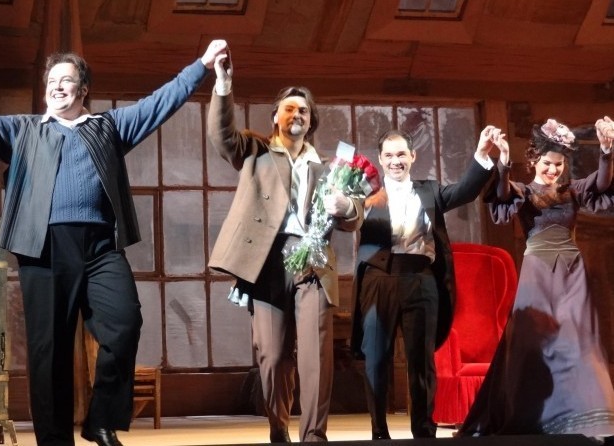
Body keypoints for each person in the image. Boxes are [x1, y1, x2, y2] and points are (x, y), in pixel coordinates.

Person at [0, 40, 229, 446]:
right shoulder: (23, 130)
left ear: (83, 89)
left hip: (102, 247)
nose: (57, 86)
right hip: (44, 248)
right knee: (49, 352)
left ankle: (101, 420)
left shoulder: (108, 127)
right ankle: (55, 441)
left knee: (124, 323)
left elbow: (159, 103)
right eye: (52, 80)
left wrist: (202, 65)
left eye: (66, 80)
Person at [206, 50, 364, 443]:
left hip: (314, 264)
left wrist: (347, 207)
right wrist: (223, 85)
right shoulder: (255, 150)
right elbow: (222, 136)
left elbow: (354, 216)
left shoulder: (329, 168)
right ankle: (279, 428)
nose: (297, 115)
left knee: (315, 356)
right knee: (273, 356)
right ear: (275, 117)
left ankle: (314, 436)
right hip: (266, 263)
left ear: (311, 122)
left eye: (304, 111)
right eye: (289, 109)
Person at [458, 117, 614, 440]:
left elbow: (601, 184)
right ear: (533, 160)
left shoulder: (573, 190)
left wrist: (606, 152)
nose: (553, 169)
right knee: (531, 344)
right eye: (547, 163)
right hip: (537, 274)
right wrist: (502, 162)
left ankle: (582, 416)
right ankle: (533, 417)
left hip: (572, 273)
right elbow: (503, 192)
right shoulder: (524, 191)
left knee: (578, 341)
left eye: (559, 164)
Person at [350, 127, 505, 439]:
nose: (395, 161)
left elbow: (464, 191)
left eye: (401, 154)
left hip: (421, 279)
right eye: (389, 155)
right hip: (378, 279)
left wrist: (481, 153)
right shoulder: (365, 194)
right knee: (376, 358)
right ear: (380, 159)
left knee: (421, 361)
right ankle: (379, 431)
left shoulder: (429, 190)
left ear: (413, 156)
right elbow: (344, 218)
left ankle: (424, 432)